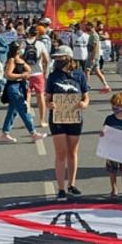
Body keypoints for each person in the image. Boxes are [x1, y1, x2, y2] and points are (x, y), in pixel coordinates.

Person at [46, 45, 90, 200]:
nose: (57, 60)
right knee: (60, 153)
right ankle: (61, 188)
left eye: (60, 57)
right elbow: (47, 98)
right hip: (57, 117)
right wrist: (49, 104)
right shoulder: (53, 76)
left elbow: (86, 96)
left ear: (68, 57)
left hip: (74, 116)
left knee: (73, 151)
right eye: (56, 58)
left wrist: (84, 104)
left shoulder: (79, 75)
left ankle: (71, 183)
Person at [0, 42, 46, 143]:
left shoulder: (19, 59)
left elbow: (29, 69)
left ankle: (5, 133)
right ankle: (33, 133)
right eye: (20, 48)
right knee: (23, 109)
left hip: (20, 86)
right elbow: (8, 75)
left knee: (12, 111)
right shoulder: (11, 61)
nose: (21, 50)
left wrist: (23, 65)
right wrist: (21, 76)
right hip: (13, 87)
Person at [101, 92, 122, 198]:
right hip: (112, 148)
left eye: (117, 105)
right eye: (113, 105)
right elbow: (104, 129)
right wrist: (102, 132)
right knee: (112, 170)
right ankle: (114, 189)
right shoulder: (109, 119)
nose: (114, 107)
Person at [26, 27, 51, 126]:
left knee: (27, 97)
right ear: (37, 34)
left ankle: (28, 118)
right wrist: (45, 71)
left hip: (26, 73)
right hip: (38, 73)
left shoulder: (23, 44)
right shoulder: (40, 44)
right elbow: (46, 59)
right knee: (40, 96)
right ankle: (42, 120)